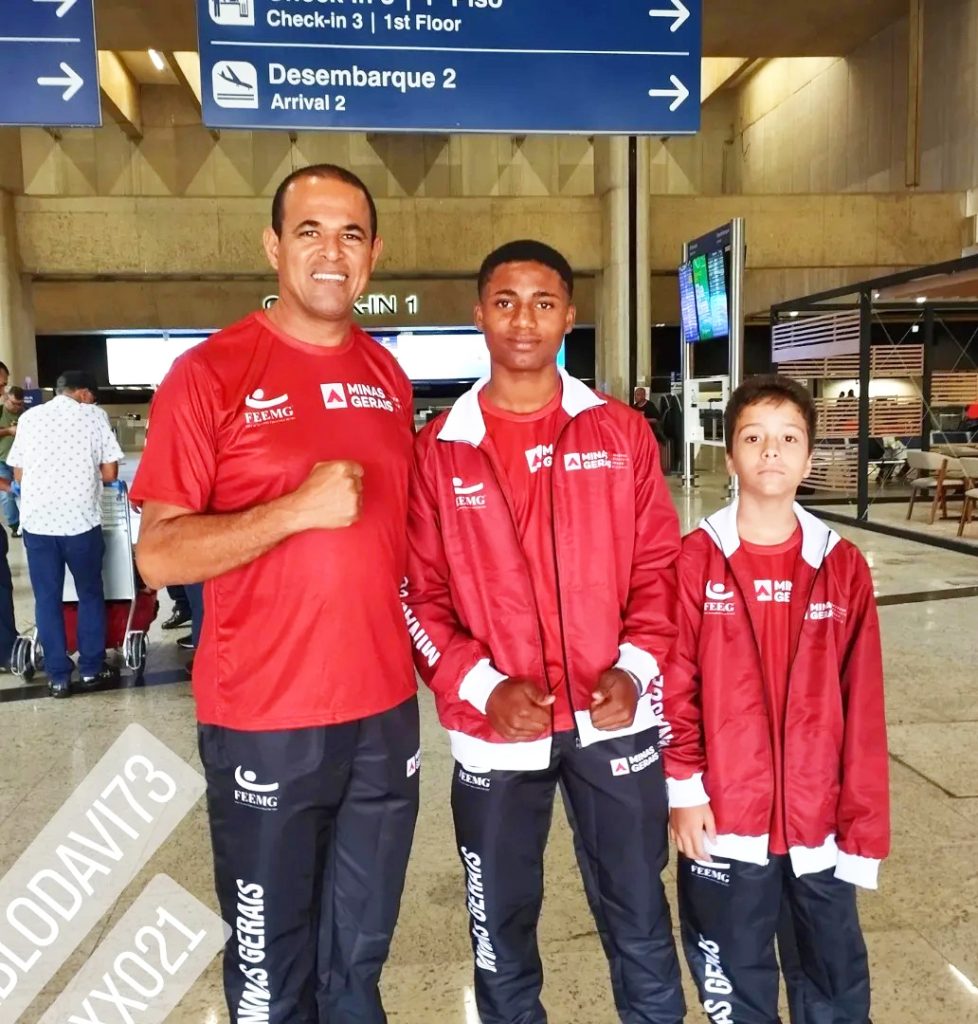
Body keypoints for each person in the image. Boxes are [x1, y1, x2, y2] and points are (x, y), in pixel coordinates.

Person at [131, 163, 420, 1024]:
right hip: (265, 713)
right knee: (269, 973)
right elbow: (158, 556)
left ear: (372, 255)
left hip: (383, 713)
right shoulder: (210, 373)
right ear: (273, 246)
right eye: (310, 232)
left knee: (359, 960)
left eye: (351, 235)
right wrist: (293, 510)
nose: (332, 252)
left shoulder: (387, 375)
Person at [404, 239, 685, 1024]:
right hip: (494, 738)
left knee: (639, 920)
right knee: (499, 932)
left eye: (542, 302)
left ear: (568, 314)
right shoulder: (438, 450)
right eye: (504, 301)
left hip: (613, 723)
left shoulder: (622, 434)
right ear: (479, 315)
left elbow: (659, 571)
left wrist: (633, 668)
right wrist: (485, 686)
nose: (523, 320)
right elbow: (416, 594)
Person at [664, 373, 889, 1024]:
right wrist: (684, 792)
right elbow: (673, 685)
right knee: (734, 985)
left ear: (809, 457)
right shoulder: (694, 562)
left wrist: (862, 828)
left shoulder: (840, 564)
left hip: (818, 825)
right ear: (728, 454)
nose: (771, 451)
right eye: (754, 437)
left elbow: (864, 708)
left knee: (835, 984)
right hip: (726, 821)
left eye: (789, 438)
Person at [7, 371, 123, 697]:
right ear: (83, 393)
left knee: (47, 598)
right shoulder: (94, 416)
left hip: (38, 522)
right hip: (80, 521)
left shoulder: (30, 418)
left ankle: (57, 676)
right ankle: (90, 668)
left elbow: (19, 471)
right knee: (88, 594)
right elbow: (111, 471)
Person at [0, 386, 26, 537]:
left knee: (24, 494)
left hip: (21, 463)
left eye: (19, 404)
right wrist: (8, 431)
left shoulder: (28, 414)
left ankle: (26, 523)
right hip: (2, 460)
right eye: (14, 403)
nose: (17, 407)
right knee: (7, 494)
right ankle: (15, 525)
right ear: (6, 399)